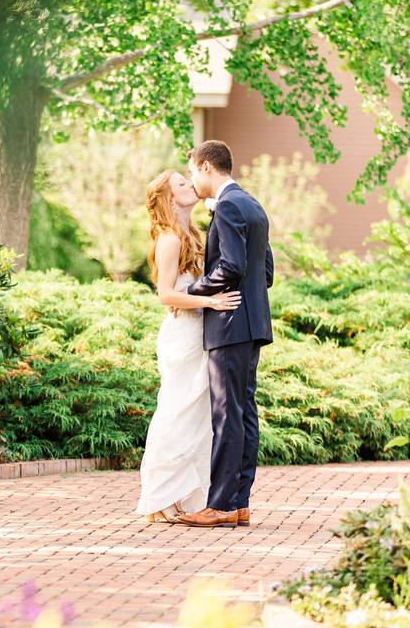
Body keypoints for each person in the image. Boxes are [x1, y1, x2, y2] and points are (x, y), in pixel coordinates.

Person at [175, 140, 274, 529]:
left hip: (230, 324)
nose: (192, 181)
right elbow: (264, 273)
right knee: (243, 412)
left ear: (205, 166)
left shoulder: (229, 206)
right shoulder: (253, 204)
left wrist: (192, 292)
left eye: (192, 172)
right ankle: (239, 503)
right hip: (252, 325)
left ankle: (219, 505)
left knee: (226, 414)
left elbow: (230, 266)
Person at [135, 169, 241, 523]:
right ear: (168, 198)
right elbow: (166, 296)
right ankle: (161, 498)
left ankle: (183, 496)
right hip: (182, 336)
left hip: (200, 335)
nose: (189, 185)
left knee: (197, 420)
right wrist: (211, 302)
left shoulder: (192, 233)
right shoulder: (169, 239)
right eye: (181, 183)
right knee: (176, 414)